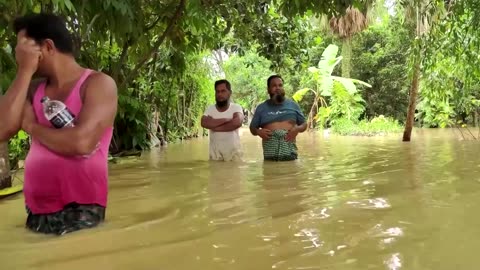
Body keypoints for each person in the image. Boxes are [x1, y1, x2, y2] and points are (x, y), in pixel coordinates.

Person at [0, 13, 117, 235]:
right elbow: (2, 129)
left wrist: (32, 127)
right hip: (36, 213)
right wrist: (24, 71)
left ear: (47, 46)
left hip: (82, 212)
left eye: (23, 49)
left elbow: (81, 143)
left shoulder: (98, 84)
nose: (18, 55)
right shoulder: (32, 88)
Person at [250, 75, 307, 161]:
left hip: (290, 156)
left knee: (292, 173)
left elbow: (304, 124)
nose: (277, 88)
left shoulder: (293, 105)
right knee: (270, 173)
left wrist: (297, 129)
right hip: (270, 158)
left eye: (280, 85)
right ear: (268, 89)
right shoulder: (261, 108)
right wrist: (258, 132)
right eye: (274, 86)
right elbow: (252, 128)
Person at [201, 79, 244, 161]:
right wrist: (226, 119)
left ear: (230, 93)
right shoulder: (210, 109)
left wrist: (215, 127)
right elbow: (204, 122)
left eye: (223, 91)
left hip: (234, 157)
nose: (220, 94)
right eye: (217, 91)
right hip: (215, 157)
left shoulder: (236, 107)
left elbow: (237, 122)